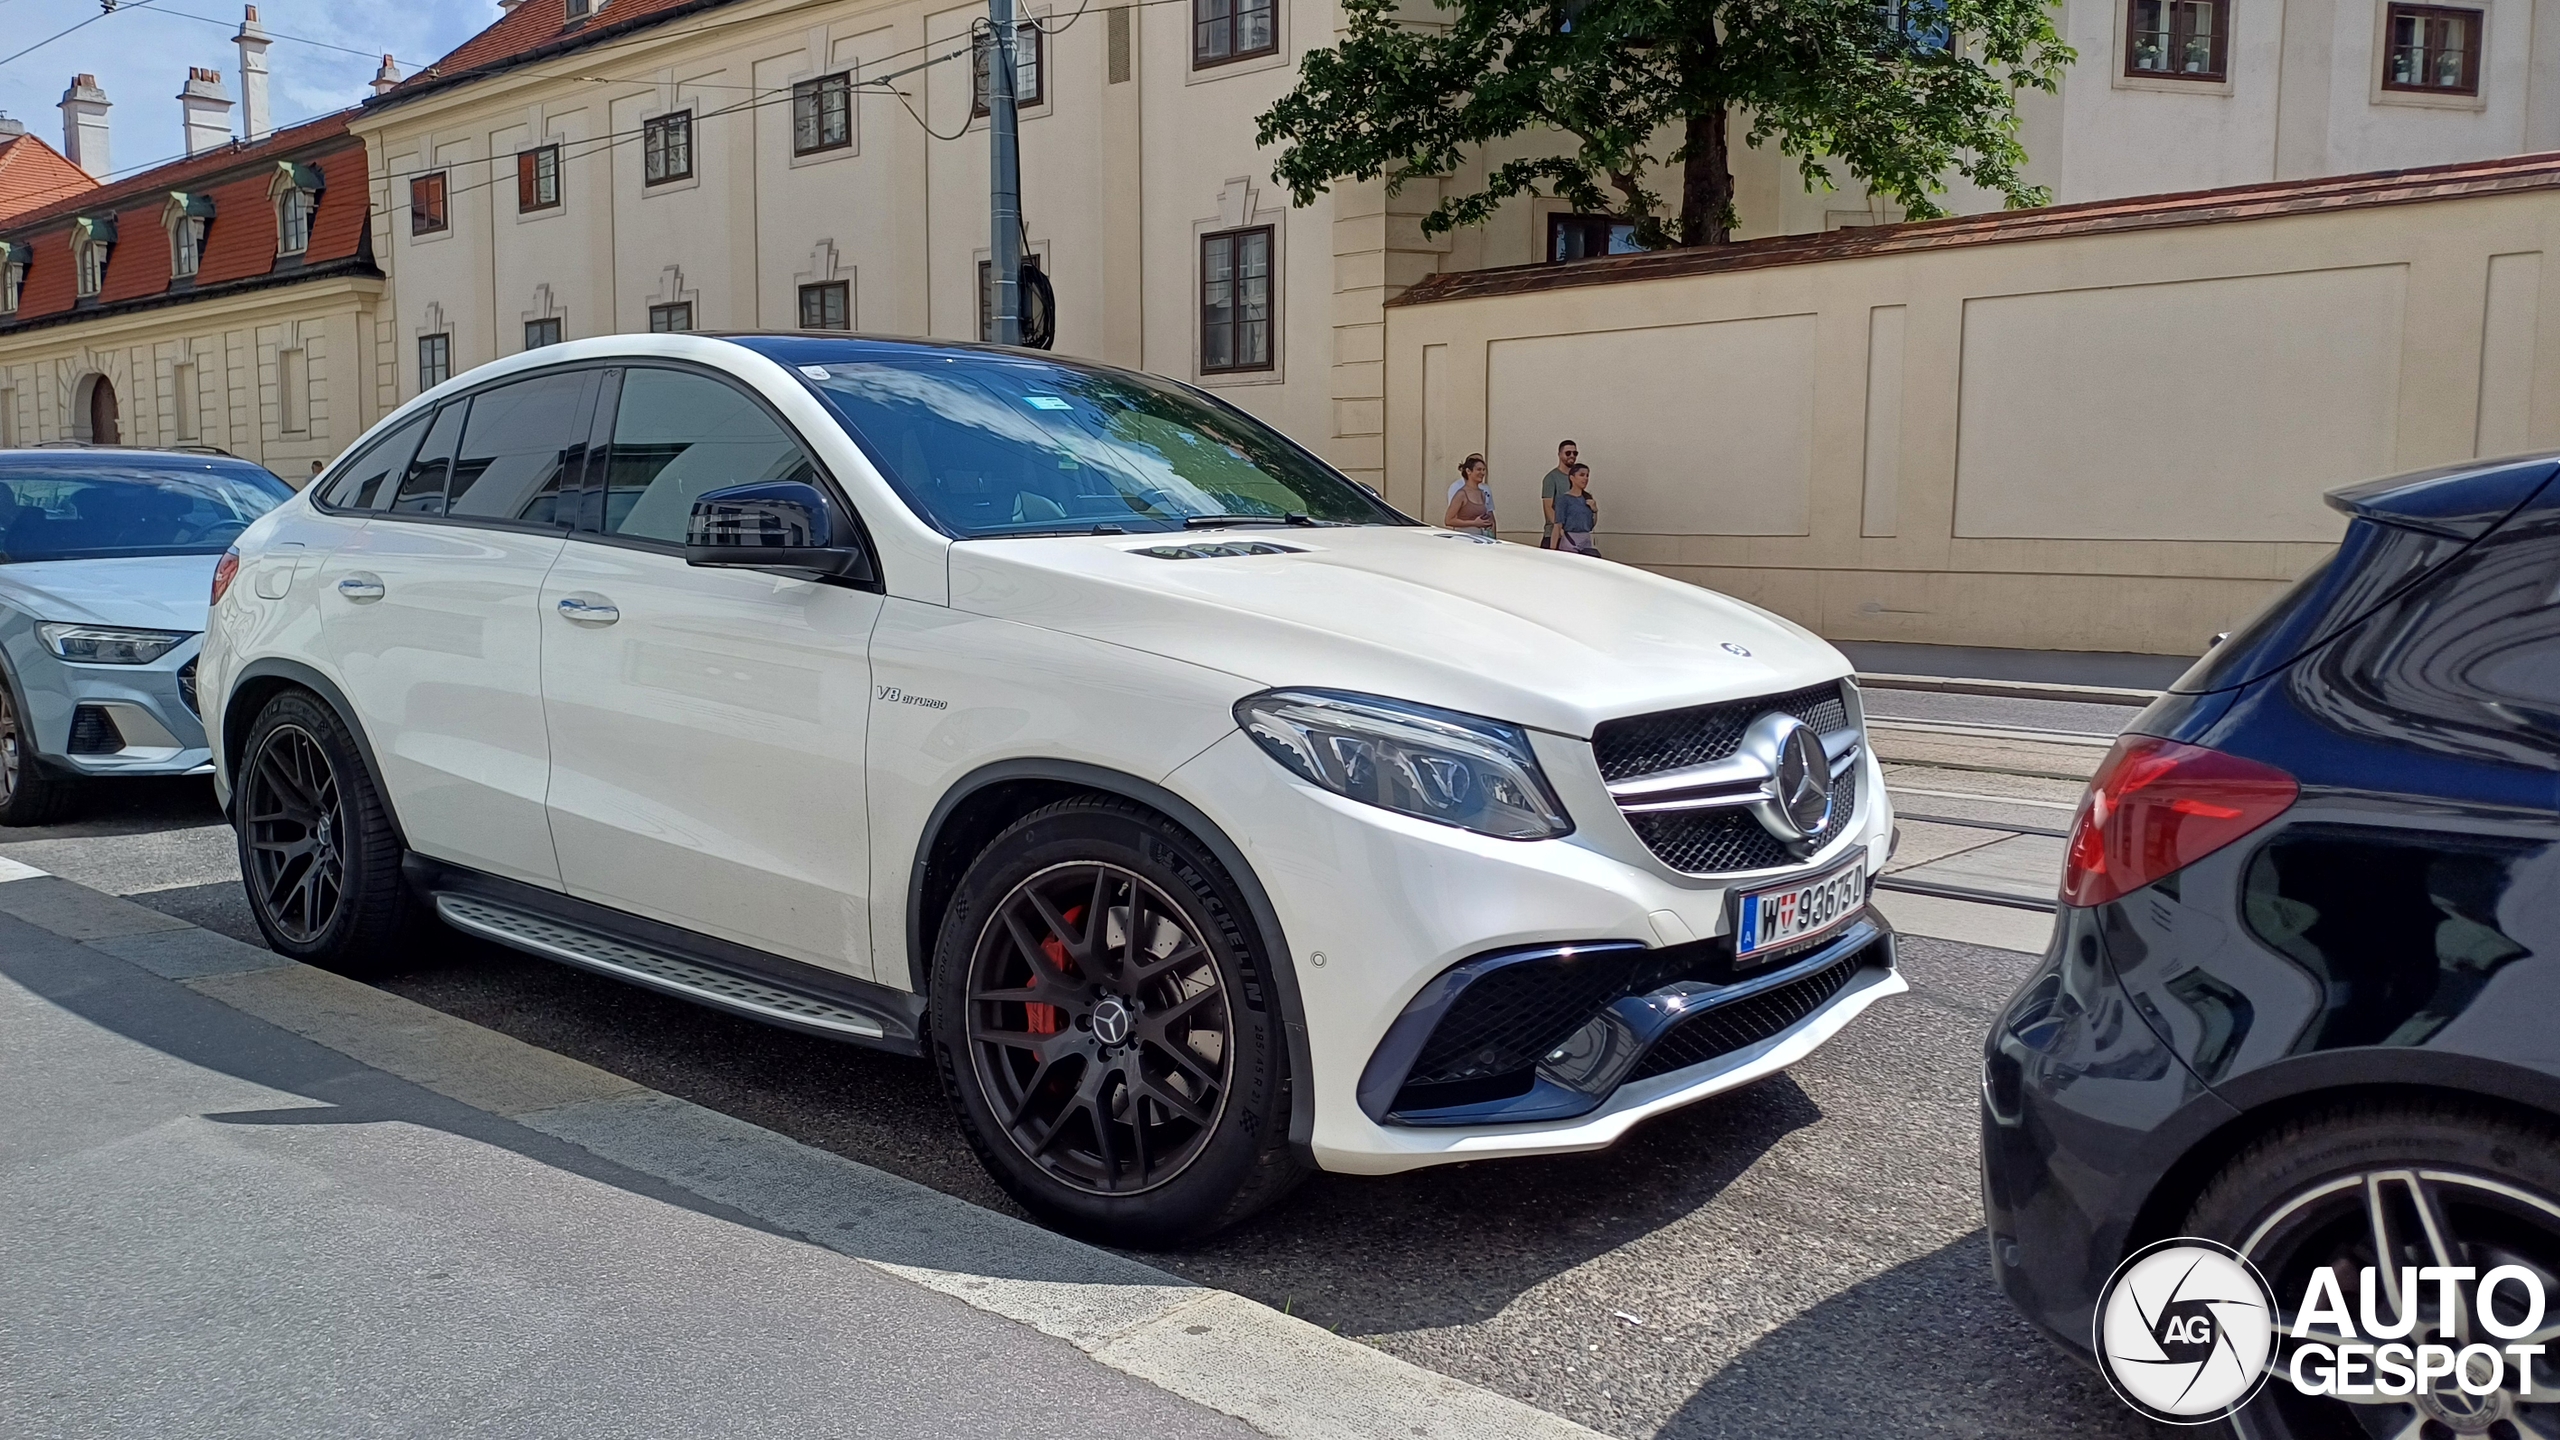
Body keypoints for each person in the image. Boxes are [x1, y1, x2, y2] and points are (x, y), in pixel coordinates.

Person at [1553, 462, 1601, 556]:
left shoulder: (1587, 498)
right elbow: (1557, 525)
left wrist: (1595, 510)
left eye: (1587, 475)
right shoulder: (1564, 499)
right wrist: (1553, 549)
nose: (1585, 478)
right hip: (1570, 539)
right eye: (1581, 475)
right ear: (1572, 478)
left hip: (1586, 540)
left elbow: (1591, 525)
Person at [1442, 453, 1495, 534]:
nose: (1482, 473)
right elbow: (1448, 520)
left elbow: (1490, 514)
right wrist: (1474, 523)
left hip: (1480, 538)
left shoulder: (1482, 493)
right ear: (1468, 471)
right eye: (1479, 469)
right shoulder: (1461, 494)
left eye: (1484, 470)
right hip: (1464, 538)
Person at [1540, 440, 1579, 548]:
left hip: (1574, 536)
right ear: (1559, 454)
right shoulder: (1551, 478)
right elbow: (1548, 508)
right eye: (1568, 453)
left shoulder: (1577, 478)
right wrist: (1561, 530)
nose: (1572, 456)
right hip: (1554, 535)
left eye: (1575, 453)